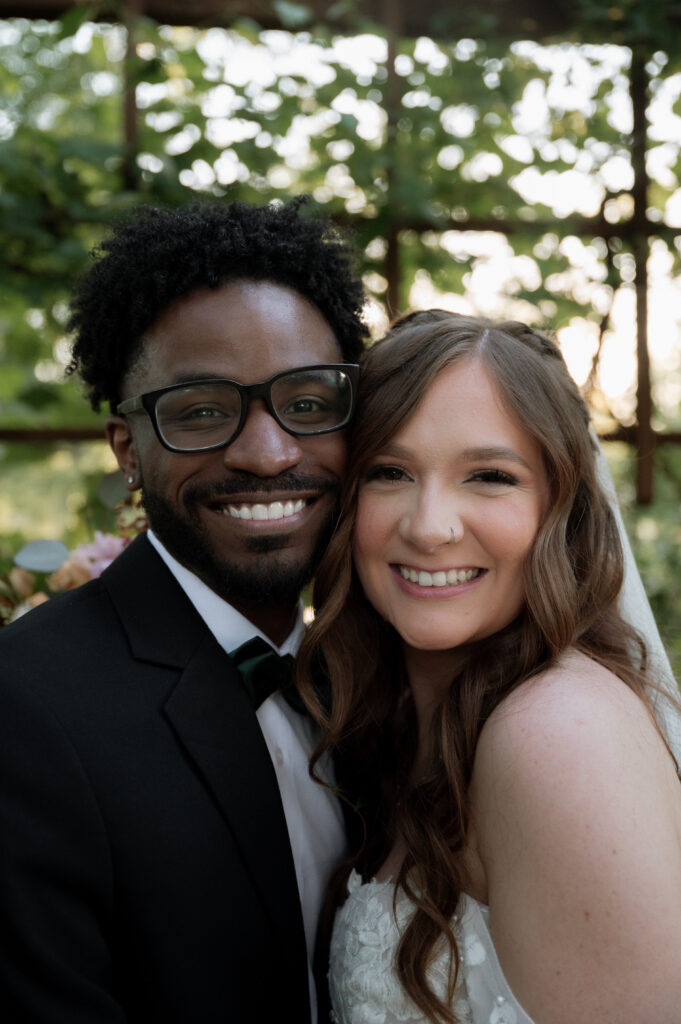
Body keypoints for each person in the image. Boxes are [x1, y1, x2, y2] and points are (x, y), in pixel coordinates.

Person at [0, 199, 367, 1023]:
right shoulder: (25, 710)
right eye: (201, 411)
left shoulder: (385, 672)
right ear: (128, 451)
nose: (267, 452)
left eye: (306, 402)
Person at [297, 310, 681, 1024]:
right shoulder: (407, 724)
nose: (429, 525)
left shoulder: (558, 734)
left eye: (488, 475)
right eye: (388, 472)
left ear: (558, 511)